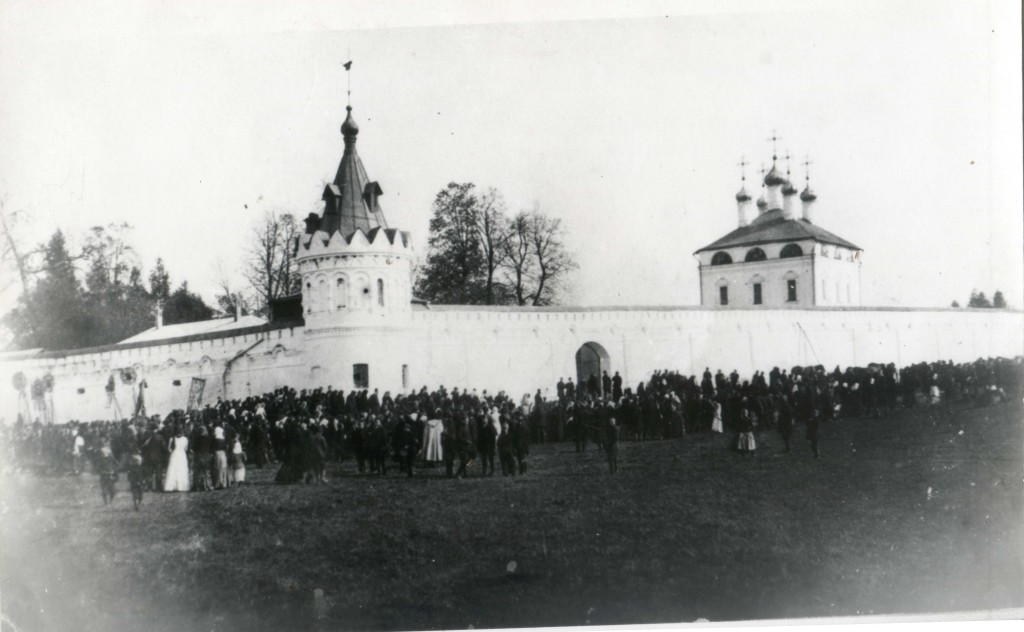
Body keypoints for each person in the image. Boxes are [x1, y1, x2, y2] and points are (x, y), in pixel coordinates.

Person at [163, 426, 190, 492]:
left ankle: (171, 486)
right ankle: (181, 486)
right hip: (182, 455)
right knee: (181, 470)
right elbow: (186, 449)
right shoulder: (185, 439)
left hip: (175, 454)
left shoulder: (172, 439)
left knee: (173, 470)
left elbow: (169, 449)